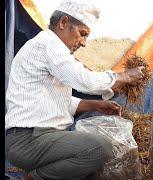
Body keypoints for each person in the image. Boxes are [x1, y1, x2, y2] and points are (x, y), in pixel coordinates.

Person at [5, 0, 145, 179]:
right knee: (99, 148)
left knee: (88, 167)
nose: (84, 42)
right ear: (63, 23)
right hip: (28, 139)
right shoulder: (49, 44)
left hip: (34, 137)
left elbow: (55, 100)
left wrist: (95, 105)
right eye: (82, 33)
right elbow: (84, 80)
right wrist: (122, 76)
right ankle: (35, 178)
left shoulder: (48, 49)